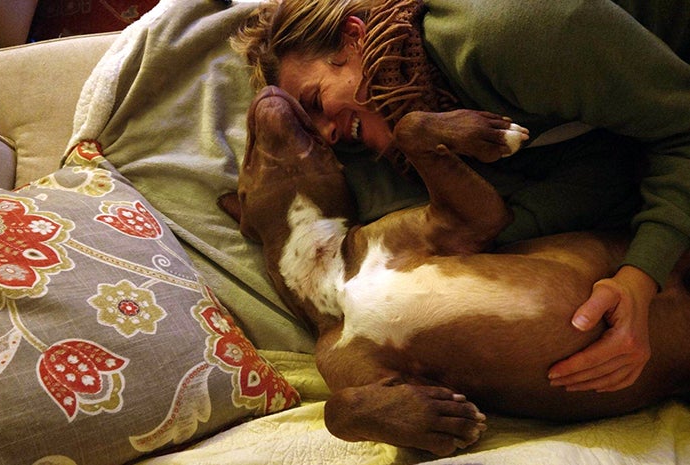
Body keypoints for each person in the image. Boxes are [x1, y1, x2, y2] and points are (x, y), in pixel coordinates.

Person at [231, 0, 690, 394]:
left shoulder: (497, 35)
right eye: (318, 133)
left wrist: (640, 277)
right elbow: (596, 181)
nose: (329, 133)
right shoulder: (432, 121)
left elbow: (681, 127)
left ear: (354, 38)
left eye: (314, 101)